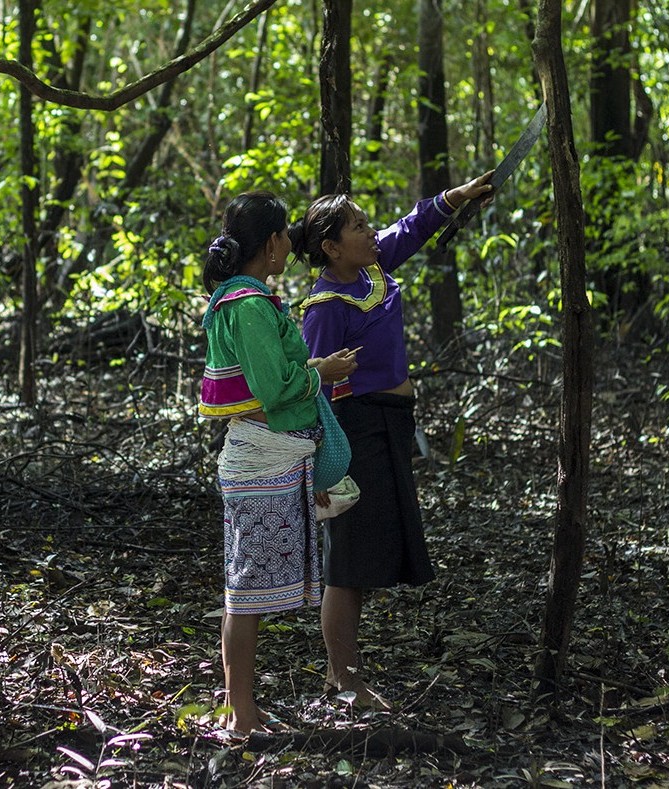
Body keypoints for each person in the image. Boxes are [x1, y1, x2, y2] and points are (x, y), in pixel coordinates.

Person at [291, 174, 494, 710]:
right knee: (348, 562)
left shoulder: (373, 270)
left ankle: (346, 676)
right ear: (332, 247)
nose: (370, 231)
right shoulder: (326, 307)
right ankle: (345, 681)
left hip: (391, 426)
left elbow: (414, 226)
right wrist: (318, 465)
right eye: (358, 226)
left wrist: (458, 196)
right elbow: (310, 385)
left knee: (362, 556)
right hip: (353, 433)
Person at [198, 191, 360, 735]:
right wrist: (322, 374)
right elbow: (275, 388)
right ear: (271, 243)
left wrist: (314, 368)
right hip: (262, 463)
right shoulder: (247, 307)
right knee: (245, 595)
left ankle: (243, 705)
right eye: (287, 235)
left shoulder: (241, 300)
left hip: (273, 460)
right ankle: (240, 713)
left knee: (248, 591)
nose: (292, 244)